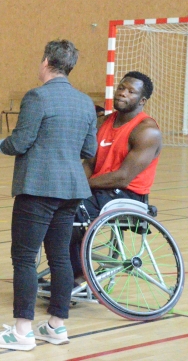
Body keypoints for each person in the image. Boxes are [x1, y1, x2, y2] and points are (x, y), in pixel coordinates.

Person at [0, 40, 97, 351]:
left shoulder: (37, 96)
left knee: (24, 258)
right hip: (72, 190)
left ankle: (22, 331)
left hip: (38, 189)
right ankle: (56, 326)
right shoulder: (86, 103)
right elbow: (90, 151)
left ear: (46, 61)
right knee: (60, 257)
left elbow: (20, 142)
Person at [70, 71, 161, 278]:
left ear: (142, 100)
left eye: (131, 91)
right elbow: (90, 163)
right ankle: (69, 272)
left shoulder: (147, 131)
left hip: (126, 195)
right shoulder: (103, 122)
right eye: (121, 88)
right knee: (53, 203)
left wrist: (83, 187)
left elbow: (123, 177)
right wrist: (74, 185)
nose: (123, 93)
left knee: (69, 212)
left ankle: (76, 277)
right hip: (98, 189)